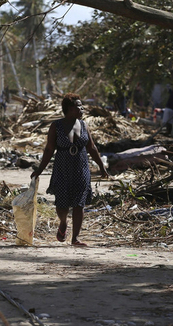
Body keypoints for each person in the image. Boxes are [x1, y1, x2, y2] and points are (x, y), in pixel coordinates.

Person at [31, 93, 109, 246]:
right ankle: (63, 222)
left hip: (81, 168)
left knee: (79, 203)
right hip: (62, 168)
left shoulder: (84, 125)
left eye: (82, 106)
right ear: (68, 109)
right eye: (78, 106)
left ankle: (75, 238)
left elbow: (92, 148)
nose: (82, 109)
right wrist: (39, 170)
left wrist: (101, 167)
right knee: (62, 204)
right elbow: (49, 150)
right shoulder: (56, 126)